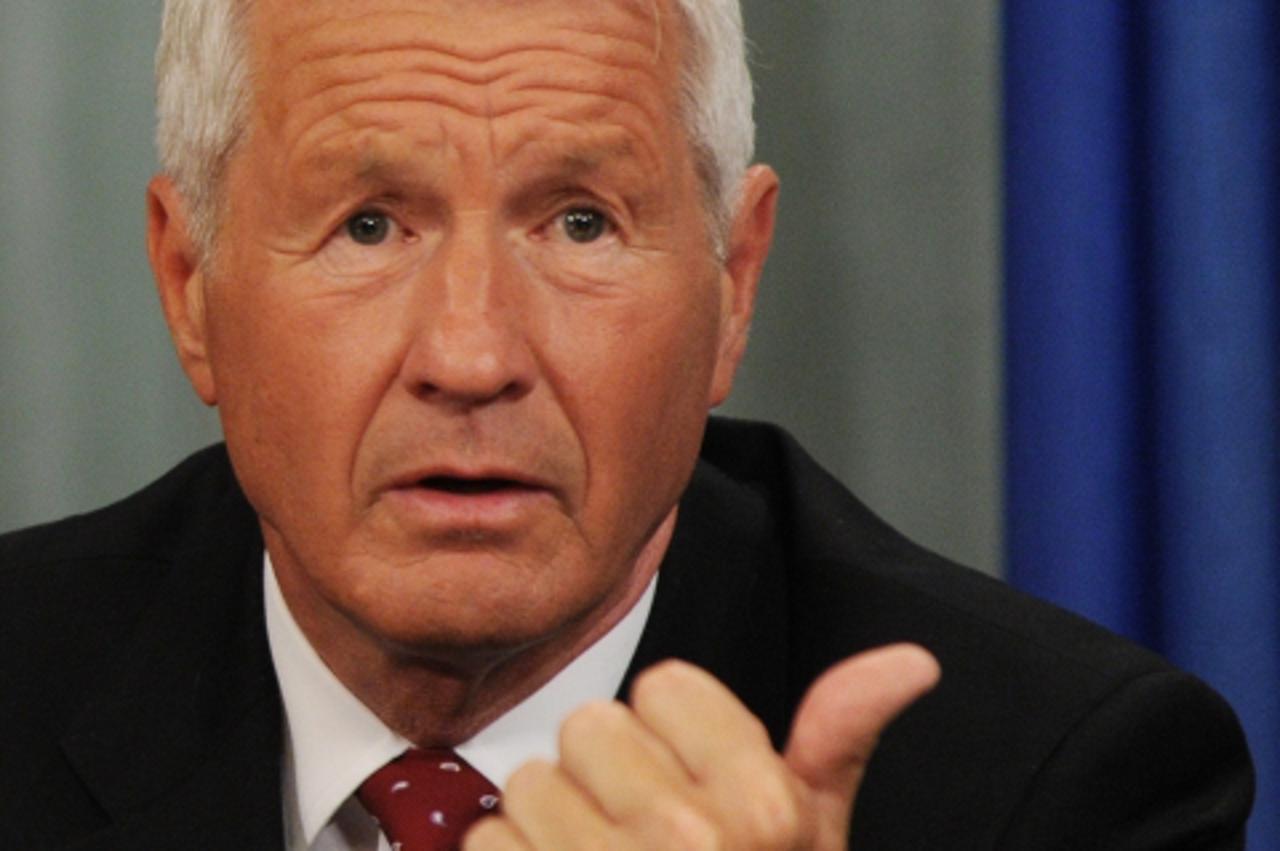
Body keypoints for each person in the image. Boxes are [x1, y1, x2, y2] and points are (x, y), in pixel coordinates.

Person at [0, 0, 1254, 848]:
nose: (471, 355)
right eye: (370, 224)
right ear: (189, 286)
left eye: (580, 222)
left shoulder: (1059, 789)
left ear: (733, 284)